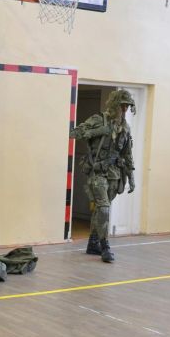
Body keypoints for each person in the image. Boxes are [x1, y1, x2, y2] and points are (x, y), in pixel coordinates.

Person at [69, 89, 136, 263]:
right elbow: (74, 133)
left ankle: (93, 243)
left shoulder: (125, 127)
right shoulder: (99, 119)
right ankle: (105, 246)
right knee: (104, 208)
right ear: (115, 104)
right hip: (97, 172)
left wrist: (131, 176)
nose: (124, 109)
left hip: (114, 174)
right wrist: (100, 131)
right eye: (122, 105)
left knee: (101, 210)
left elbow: (127, 154)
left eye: (127, 106)